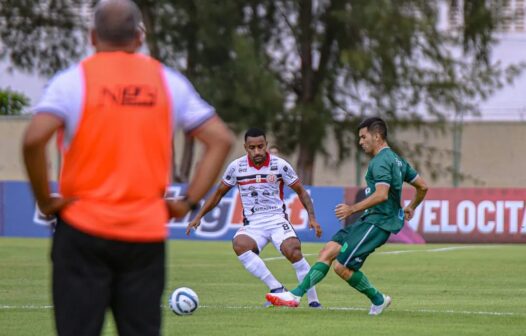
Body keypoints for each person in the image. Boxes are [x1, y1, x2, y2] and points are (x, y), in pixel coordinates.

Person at [22, 1, 233, 335]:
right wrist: (187, 202)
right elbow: (220, 139)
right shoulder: (167, 82)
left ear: (92, 37)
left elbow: (33, 140)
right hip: (143, 233)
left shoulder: (71, 81)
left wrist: (46, 200)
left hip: (81, 229)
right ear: (138, 37)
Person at [266, 117, 428, 315]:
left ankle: (378, 299)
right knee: (327, 251)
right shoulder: (397, 159)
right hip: (369, 220)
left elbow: (381, 194)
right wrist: (411, 206)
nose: (360, 142)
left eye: (363, 137)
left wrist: (352, 209)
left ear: (377, 136)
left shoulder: (381, 161)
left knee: (341, 267)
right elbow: (423, 186)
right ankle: (296, 295)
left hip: (378, 222)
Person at [186, 127, 323, 308]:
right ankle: (277, 289)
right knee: (239, 245)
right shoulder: (236, 167)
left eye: (260, 146)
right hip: (253, 224)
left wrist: (312, 218)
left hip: (276, 220)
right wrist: (199, 216)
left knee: (293, 250)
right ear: (245, 147)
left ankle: (314, 301)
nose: (257, 151)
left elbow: (301, 192)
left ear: (266, 145)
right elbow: (218, 194)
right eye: (252, 147)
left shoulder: (280, 165)